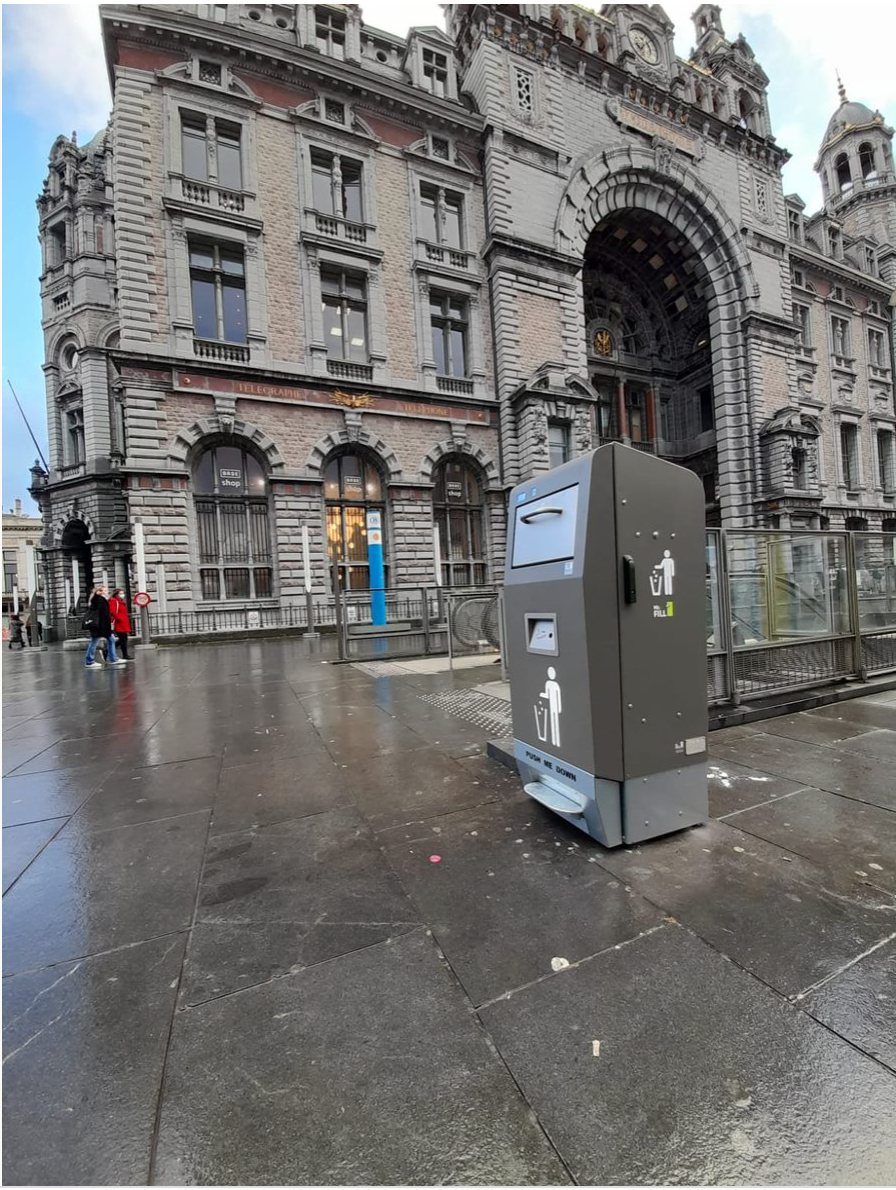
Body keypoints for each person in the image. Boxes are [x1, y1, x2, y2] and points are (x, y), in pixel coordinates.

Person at [84, 585, 126, 669]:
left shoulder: (103, 600)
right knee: (94, 642)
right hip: (99, 626)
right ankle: (89, 661)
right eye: (105, 590)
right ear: (100, 592)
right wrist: (96, 594)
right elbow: (95, 604)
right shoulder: (98, 599)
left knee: (111, 640)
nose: (107, 592)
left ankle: (113, 658)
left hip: (104, 626)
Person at [109, 588, 133, 661]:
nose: (122, 595)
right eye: (120, 593)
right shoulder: (114, 601)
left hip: (123, 622)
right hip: (119, 622)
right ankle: (124, 654)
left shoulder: (121, 602)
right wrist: (119, 618)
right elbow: (112, 611)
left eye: (123, 593)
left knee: (123, 639)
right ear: (116, 594)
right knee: (123, 639)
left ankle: (124, 654)